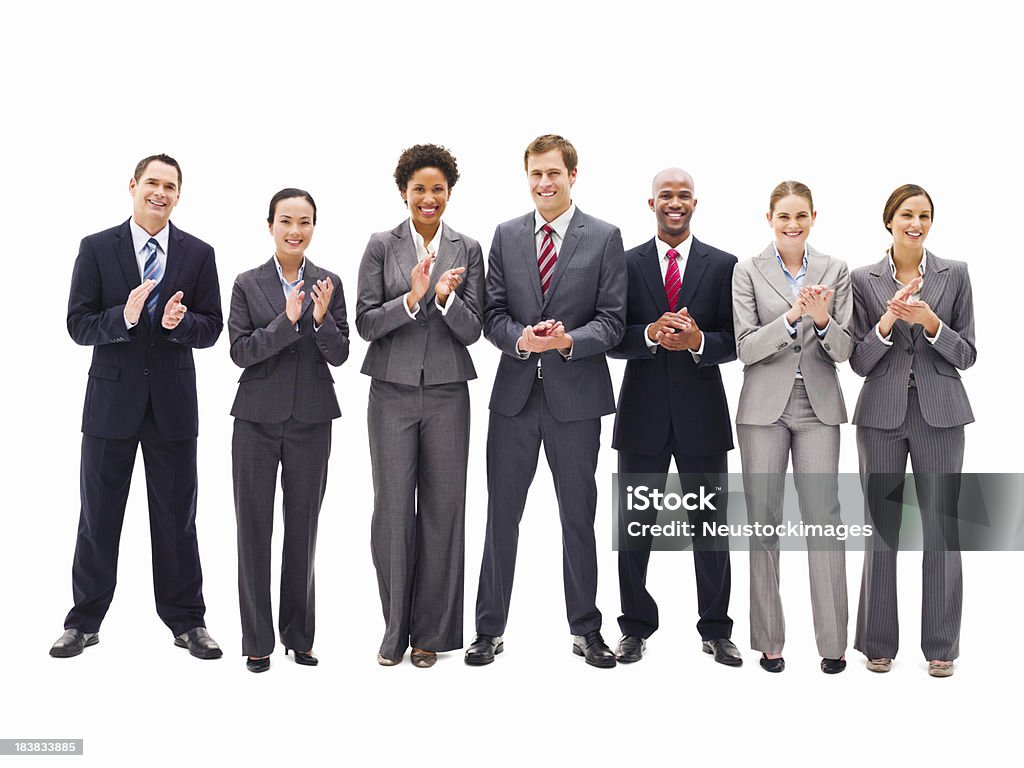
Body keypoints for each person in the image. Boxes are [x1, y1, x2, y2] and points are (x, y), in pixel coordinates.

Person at [51, 154, 224, 660]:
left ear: (178, 195)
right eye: (152, 182)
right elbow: (77, 324)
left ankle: (188, 622)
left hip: (172, 406)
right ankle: (83, 622)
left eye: (170, 186)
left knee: (177, 518)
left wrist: (179, 324)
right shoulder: (96, 248)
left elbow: (211, 328)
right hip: (110, 404)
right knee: (98, 515)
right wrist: (122, 317)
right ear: (133, 185)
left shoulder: (197, 253)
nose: (160, 193)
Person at [467, 134, 626, 668]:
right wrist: (520, 338)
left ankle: (587, 630)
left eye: (553, 173)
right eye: (535, 174)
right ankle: (488, 630)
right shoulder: (507, 235)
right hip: (513, 398)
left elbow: (612, 321)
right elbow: (490, 312)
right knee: (500, 517)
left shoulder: (603, 237)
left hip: (575, 401)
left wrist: (566, 342)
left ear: (572, 175)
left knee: (577, 517)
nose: (544, 183)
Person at [356, 144, 484, 668]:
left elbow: (474, 330)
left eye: (437, 189)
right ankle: (394, 629)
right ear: (403, 193)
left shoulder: (469, 248)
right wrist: (412, 298)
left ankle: (429, 634)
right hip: (390, 391)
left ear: (449, 192)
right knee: (391, 511)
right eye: (419, 189)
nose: (428, 198)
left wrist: (447, 298)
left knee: (443, 511)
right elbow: (364, 322)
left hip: (449, 393)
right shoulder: (380, 245)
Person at [609, 167, 741, 667]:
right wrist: (648, 333)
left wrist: (698, 342)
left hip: (702, 416)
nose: (675, 203)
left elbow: (737, 338)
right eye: (666, 195)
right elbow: (611, 334)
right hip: (641, 415)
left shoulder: (724, 264)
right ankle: (635, 627)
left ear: (695, 203)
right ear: (652, 204)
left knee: (710, 528)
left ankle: (716, 628)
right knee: (635, 529)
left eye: (683, 196)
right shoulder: (625, 263)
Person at [850, 184, 975, 678]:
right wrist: (885, 322)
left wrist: (930, 324)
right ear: (889, 220)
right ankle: (878, 642)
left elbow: (966, 354)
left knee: (942, 529)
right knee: (881, 530)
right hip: (879, 416)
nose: (915, 223)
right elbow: (858, 361)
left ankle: (941, 646)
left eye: (924, 215)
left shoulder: (956, 275)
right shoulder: (862, 279)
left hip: (941, 415)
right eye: (906, 214)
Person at [732, 180, 853, 674]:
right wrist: (793, 318)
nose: (793, 224)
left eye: (801, 215)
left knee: (824, 521)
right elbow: (744, 347)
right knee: (764, 522)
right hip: (763, 409)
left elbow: (845, 350)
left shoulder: (835, 269)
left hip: (818, 407)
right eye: (784, 216)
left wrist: (823, 321)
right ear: (769, 219)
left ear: (813, 217)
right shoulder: (747, 270)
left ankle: (833, 643)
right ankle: (769, 641)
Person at [228, 188, 349, 673]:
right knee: (253, 530)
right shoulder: (247, 282)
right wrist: (287, 321)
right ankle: (256, 640)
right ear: (270, 225)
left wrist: (318, 320)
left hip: (311, 420)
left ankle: (299, 637)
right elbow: (240, 350)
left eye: (304, 221)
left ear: (313, 227)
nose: (294, 230)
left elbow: (340, 353)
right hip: (255, 420)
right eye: (286, 221)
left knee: (304, 530)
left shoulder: (329, 282)